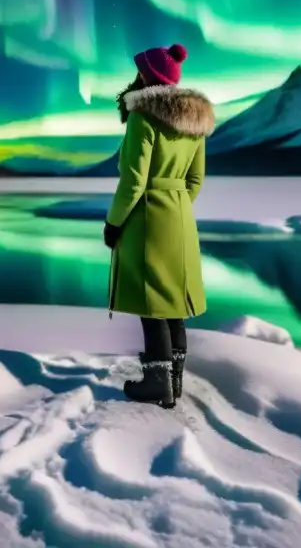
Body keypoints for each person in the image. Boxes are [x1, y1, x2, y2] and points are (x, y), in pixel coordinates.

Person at [103, 43, 216, 409]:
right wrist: (177, 207)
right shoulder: (194, 122)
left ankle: (157, 383)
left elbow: (134, 180)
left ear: (147, 76)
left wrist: (114, 222)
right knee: (173, 302)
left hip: (148, 216)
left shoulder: (144, 116)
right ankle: (174, 380)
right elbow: (195, 179)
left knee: (151, 300)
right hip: (180, 218)